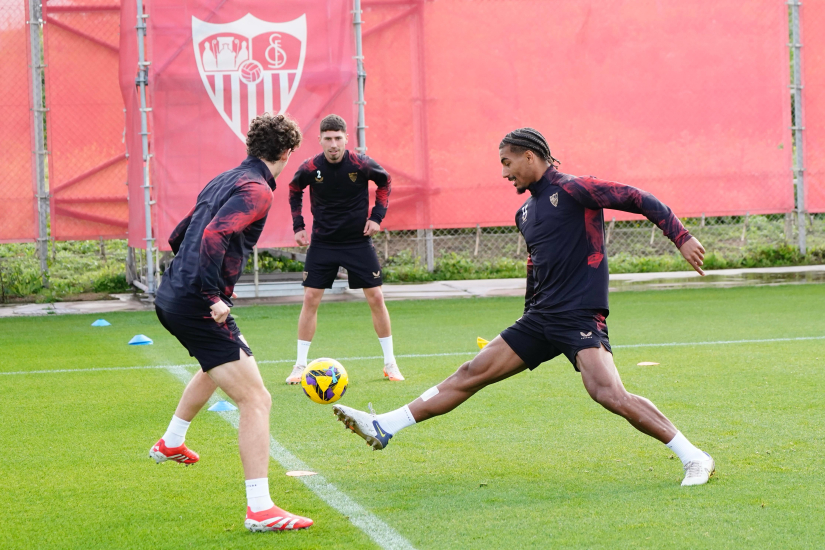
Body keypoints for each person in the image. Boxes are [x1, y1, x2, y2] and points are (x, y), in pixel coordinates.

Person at [332, 128, 716, 487]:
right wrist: (529, 310)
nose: (504, 172)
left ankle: (695, 456)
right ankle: (384, 426)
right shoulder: (525, 213)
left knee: (608, 393)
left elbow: (638, 198)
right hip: (539, 318)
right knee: (471, 372)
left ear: (530, 158)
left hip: (578, 315)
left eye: (507, 162)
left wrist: (680, 236)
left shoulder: (575, 189)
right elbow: (536, 265)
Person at [148, 113, 314, 532]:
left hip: (172, 292)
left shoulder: (226, 178)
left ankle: (171, 443)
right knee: (257, 399)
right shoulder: (258, 189)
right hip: (193, 299)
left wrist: (192, 278)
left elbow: (181, 233)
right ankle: (260, 509)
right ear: (287, 153)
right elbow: (211, 236)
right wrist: (211, 295)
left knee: (220, 362)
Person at [286, 114, 404, 383]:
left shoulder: (360, 163)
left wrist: (377, 217)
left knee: (376, 297)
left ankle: (390, 363)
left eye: (338, 138)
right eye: (328, 139)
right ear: (320, 140)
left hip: (357, 242)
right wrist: (298, 225)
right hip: (323, 243)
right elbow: (294, 189)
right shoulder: (311, 166)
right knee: (310, 299)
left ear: (346, 139)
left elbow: (384, 181)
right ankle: (299, 365)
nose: (333, 144)